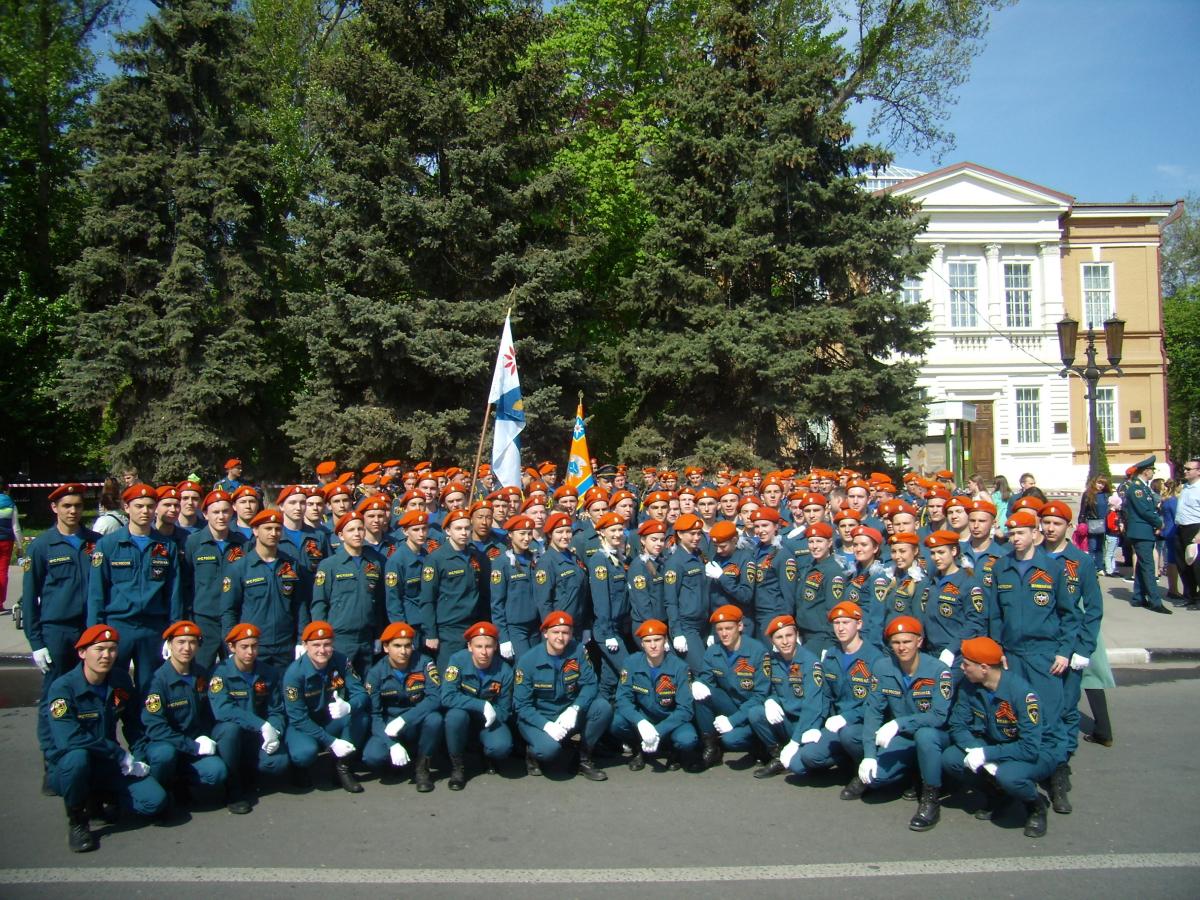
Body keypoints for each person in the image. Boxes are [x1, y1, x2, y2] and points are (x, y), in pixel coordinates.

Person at [984, 510, 1082, 815]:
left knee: (1049, 721)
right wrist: (997, 649)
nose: (1016, 539)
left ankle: (1055, 781)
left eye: (1022, 533)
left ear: (1035, 534)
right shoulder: (1002, 567)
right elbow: (994, 614)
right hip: (1011, 655)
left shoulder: (1052, 568)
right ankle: (1009, 787)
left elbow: (1069, 614)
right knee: (1012, 721)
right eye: (1012, 534)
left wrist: (1064, 651)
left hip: (1043, 655)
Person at [46, 624, 167, 852]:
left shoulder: (119, 681)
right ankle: (78, 821)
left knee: (154, 801)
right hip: (71, 765)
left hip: (108, 763)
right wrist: (118, 753)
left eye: (112, 649)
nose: (106, 655)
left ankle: (103, 796)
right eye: (99, 649)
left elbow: (133, 725)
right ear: (82, 653)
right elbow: (69, 739)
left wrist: (139, 759)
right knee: (77, 758)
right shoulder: (63, 688)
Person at [23, 483, 100, 795]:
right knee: (55, 696)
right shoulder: (42, 546)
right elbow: (30, 598)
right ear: (54, 508)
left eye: (78, 506)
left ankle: (90, 758)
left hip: (88, 630)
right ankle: (53, 762)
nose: (73, 511)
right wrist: (36, 641)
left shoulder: (95, 543)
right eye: (66, 505)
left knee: (91, 696)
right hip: (56, 630)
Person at [941, 636, 1050, 838]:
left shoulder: (1023, 694)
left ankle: (1035, 805)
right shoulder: (969, 684)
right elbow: (958, 724)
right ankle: (998, 795)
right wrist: (975, 750)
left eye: (966, 664)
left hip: (1031, 751)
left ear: (984, 668)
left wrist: (987, 753)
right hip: (993, 742)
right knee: (951, 759)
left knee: (1009, 776)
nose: (962, 668)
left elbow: (1029, 747)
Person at [851, 616, 953, 832]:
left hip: (936, 738)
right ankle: (912, 774)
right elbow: (873, 712)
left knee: (925, 736)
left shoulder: (938, 670)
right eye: (896, 643)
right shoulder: (882, 667)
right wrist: (869, 755)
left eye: (907, 641)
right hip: (905, 738)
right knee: (874, 777)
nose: (901, 647)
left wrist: (899, 723)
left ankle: (930, 797)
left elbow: (938, 717)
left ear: (919, 642)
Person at [87, 483, 183, 697]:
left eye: (150, 506)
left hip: (153, 628)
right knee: (113, 689)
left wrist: (173, 633)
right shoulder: (109, 545)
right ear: (126, 507)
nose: (145, 511)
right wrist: (95, 633)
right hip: (118, 627)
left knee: (150, 691)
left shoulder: (167, 547)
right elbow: (96, 593)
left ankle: (144, 731)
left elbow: (174, 593)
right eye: (138, 506)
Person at [513, 610, 613, 781]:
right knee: (549, 751)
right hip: (539, 718)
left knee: (602, 707)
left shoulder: (578, 651)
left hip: (567, 714)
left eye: (565, 632)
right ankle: (531, 752)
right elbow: (521, 705)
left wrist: (575, 709)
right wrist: (546, 726)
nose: (561, 637)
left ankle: (583, 759)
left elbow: (590, 684)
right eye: (555, 632)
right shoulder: (528, 661)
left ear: (571, 634)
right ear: (545, 633)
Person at [140, 621, 228, 808]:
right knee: (165, 755)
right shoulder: (156, 682)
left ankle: (182, 782)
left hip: (192, 742)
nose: (186, 648)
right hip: (165, 745)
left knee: (217, 771)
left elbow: (208, 713)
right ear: (170, 644)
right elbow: (156, 729)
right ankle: (162, 789)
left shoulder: (201, 675)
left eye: (192, 642)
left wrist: (205, 737)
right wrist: (192, 747)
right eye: (180, 642)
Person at [209, 623, 290, 815]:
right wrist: (261, 725)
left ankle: (249, 771)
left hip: (257, 736)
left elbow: (276, 709)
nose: (250, 652)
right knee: (230, 730)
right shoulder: (220, 673)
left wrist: (275, 731)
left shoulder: (268, 673)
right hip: (231, 734)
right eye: (244, 647)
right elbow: (222, 710)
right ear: (232, 647)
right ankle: (233, 787)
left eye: (254, 646)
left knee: (277, 763)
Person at [283, 620, 370, 793]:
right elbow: (297, 718)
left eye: (327, 644)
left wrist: (349, 706)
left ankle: (341, 768)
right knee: (304, 753)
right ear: (305, 645)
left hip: (330, 719)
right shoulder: (294, 673)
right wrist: (331, 741)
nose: (322, 650)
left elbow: (360, 693)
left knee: (360, 716)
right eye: (316, 645)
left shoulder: (341, 661)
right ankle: (298, 769)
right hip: (304, 725)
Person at [221, 509, 311, 668]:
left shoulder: (291, 565)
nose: (273, 533)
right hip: (253, 646)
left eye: (277, 529)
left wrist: (301, 640)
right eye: (268, 528)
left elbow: (300, 605)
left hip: (285, 646)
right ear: (255, 531)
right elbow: (229, 610)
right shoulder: (240, 568)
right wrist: (232, 643)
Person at [361, 621, 442, 792]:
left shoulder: (424, 663)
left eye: (407, 646)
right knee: (372, 757)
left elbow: (435, 698)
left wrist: (405, 719)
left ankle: (422, 768)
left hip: (415, 719)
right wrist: (391, 745)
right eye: (397, 646)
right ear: (385, 647)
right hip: (389, 724)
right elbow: (374, 715)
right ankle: (395, 759)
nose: (403, 651)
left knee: (435, 719)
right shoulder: (376, 673)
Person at [611, 618, 700, 771]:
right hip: (645, 718)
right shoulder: (631, 663)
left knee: (687, 739)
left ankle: (674, 751)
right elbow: (623, 699)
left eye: (657, 640)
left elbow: (685, 709)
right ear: (642, 644)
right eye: (648, 641)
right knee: (616, 722)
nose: (653, 645)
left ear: (665, 641)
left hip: (670, 719)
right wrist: (640, 722)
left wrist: (658, 731)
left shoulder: (680, 667)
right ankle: (639, 749)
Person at [690, 604, 770, 769]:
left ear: (740, 626)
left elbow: (761, 696)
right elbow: (706, 678)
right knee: (702, 694)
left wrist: (733, 721)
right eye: (719, 629)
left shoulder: (757, 651)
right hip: (732, 704)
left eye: (729, 628)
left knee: (731, 740)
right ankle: (711, 748)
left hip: (755, 711)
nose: (724, 633)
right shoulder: (713, 651)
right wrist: (699, 683)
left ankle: (761, 744)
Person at [749, 614, 826, 779]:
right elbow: (772, 690)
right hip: (787, 721)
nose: (785, 641)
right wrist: (771, 700)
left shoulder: (810, 663)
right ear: (772, 641)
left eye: (789, 635)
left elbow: (812, 707)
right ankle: (777, 757)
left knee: (798, 767)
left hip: (806, 725)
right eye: (779, 637)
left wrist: (795, 741)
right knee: (756, 713)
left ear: (797, 635)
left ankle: (796, 754)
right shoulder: (772, 661)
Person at [441, 621, 514, 789]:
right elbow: (447, 696)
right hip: (463, 716)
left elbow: (504, 711)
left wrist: (490, 711)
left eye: (488, 646)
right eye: (478, 646)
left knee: (501, 747)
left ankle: (486, 753)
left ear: (495, 646)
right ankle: (457, 767)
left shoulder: (504, 670)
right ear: (469, 647)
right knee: (454, 717)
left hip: (489, 721)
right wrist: (481, 705)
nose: (483, 652)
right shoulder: (457, 660)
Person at [311, 511, 386, 675]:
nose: (357, 534)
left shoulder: (375, 562)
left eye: (360, 529)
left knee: (366, 686)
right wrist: (321, 638)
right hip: (340, 637)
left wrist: (379, 634)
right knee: (340, 686)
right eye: (351, 530)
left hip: (366, 636)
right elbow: (319, 603)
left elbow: (379, 601)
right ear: (341, 535)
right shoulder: (329, 565)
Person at [181, 490, 246, 668]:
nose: (221, 516)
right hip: (204, 619)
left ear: (232, 512)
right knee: (201, 671)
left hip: (234, 618)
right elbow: (185, 584)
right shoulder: (193, 543)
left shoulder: (242, 543)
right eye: (215, 512)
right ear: (205, 514)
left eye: (225, 511)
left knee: (235, 670)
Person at [419, 508, 486, 670]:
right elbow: (427, 599)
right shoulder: (436, 559)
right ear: (448, 530)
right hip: (449, 629)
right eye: (458, 528)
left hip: (473, 625)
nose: (464, 532)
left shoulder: (476, 556)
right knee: (449, 675)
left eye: (467, 528)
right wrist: (431, 634)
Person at [588, 511, 634, 701]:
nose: (617, 534)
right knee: (628, 670)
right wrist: (607, 634)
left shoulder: (618, 558)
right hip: (608, 630)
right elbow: (601, 600)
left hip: (619, 626)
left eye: (620, 530)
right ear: (602, 533)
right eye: (612, 530)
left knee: (610, 679)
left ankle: (606, 716)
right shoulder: (600, 560)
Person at [1121, 456, 1171, 614]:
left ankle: (1138, 596)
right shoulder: (1137, 488)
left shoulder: (1143, 487)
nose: (1153, 473)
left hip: (1143, 531)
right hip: (1141, 531)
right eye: (1152, 470)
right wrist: (1158, 522)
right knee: (1149, 567)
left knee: (1143, 564)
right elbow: (1144, 510)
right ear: (1146, 471)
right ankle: (1155, 601)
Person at [489, 514, 541, 662]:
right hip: (515, 628)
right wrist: (503, 637)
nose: (527, 538)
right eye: (522, 534)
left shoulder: (536, 559)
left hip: (536, 626)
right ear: (510, 535)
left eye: (529, 533)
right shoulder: (502, 563)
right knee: (523, 669)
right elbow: (497, 603)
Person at [1176, 457, 1200, 610]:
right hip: (1181, 529)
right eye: (1185, 468)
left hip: (1195, 529)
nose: (1185, 471)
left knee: (1197, 565)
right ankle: (1190, 595)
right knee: (1183, 564)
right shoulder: (1185, 487)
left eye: (1188, 469)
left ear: (1198, 472)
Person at [0, 475, 25, 613]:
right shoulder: (10, 503)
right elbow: (16, 527)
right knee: (2, 571)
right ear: (6, 488)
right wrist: (20, 546)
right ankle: (0, 602)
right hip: (6, 541)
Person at [1079, 477, 1111, 574]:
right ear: (1094, 482)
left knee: (1100, 547)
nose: (1101, 486)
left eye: (1103, 484)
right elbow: (1083, 509)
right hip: (1092, 523)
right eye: (1099, 483)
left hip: (1103, 523)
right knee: (1092, 546)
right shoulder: (1088, 494)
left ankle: (1100, 567)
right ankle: (1090, 567)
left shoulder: (1105, 495)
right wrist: (1081, 522)